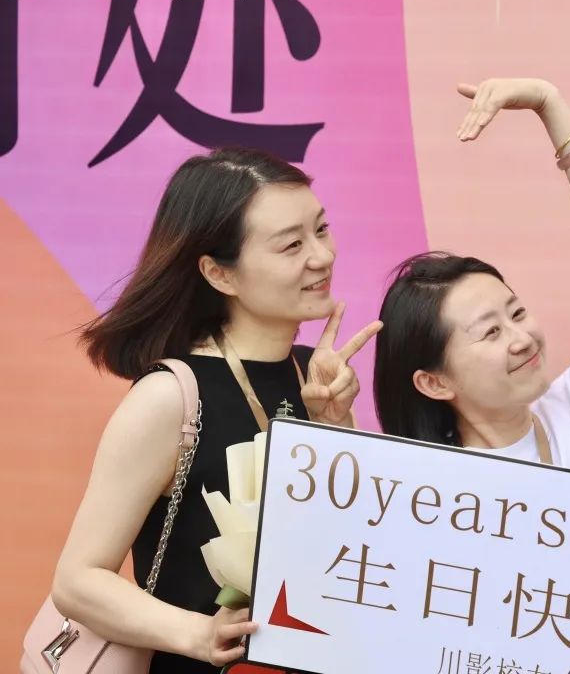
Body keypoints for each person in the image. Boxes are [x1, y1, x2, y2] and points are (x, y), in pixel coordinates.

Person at [50, 148, 380, 673]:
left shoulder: (312, 373)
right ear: (219, 274)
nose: (321, 256)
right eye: (291, 244)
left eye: (321, 229)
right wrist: (200, 634)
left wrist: (334, 425)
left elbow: (348, 552)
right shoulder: (169, 397)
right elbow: (77, 580)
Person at [373, 78, 570, 475]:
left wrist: (548, 102)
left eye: (516, 313)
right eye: (491, 332)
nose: (522, 339)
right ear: (435, 383)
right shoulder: (432, 491)